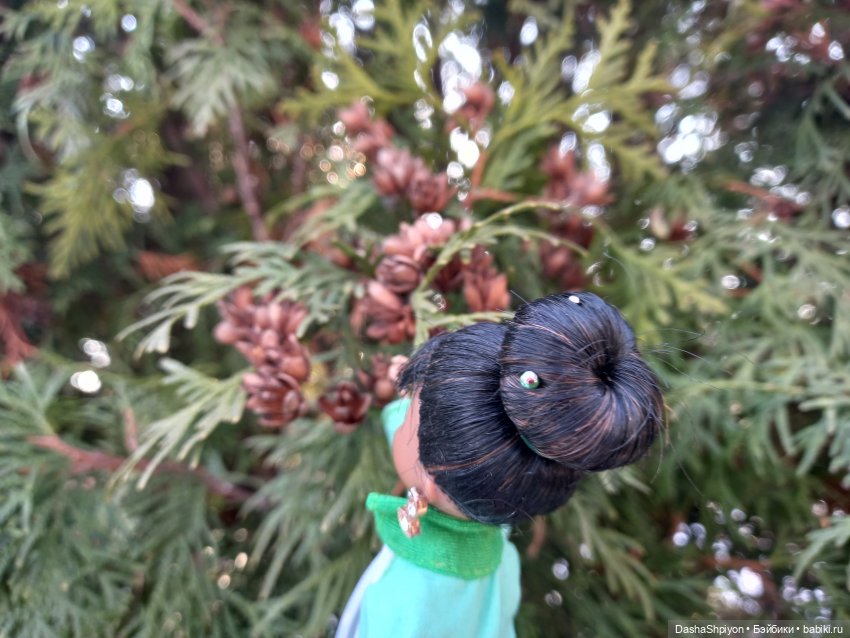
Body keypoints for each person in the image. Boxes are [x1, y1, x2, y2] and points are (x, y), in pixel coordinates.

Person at [336, 292, 665, 638]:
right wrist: (415, 396)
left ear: (430, 484)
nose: (400, 420)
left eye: (406, 422)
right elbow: (427, 449)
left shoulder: (408, 601)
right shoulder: (499, 548)